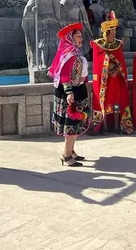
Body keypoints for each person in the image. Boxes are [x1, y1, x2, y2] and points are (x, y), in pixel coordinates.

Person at [48, 22, 91, 167]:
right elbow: (64, 75)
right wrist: (69, 93)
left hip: (79, 90)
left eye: (81, 36)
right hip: (70, 92)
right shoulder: (69, 53)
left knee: (77, 122)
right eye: (78, 36)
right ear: (70, 38)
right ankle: (65, 156)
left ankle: (71, 151)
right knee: (71, 124)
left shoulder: (75, 51)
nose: (81, 39)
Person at [89, 12, 133, 135]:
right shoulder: (98, 45)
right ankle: (104, 126)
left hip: (116, 79)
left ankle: (119, 125)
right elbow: (99, 62)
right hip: (105, 79)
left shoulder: (118, 44)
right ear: (106, 33)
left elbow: (121, 61)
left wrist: (117, 70)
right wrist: (108, 70)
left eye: (114, 32)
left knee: (117, 103)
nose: (114, 34)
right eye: (111, 32)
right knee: (104, 102)